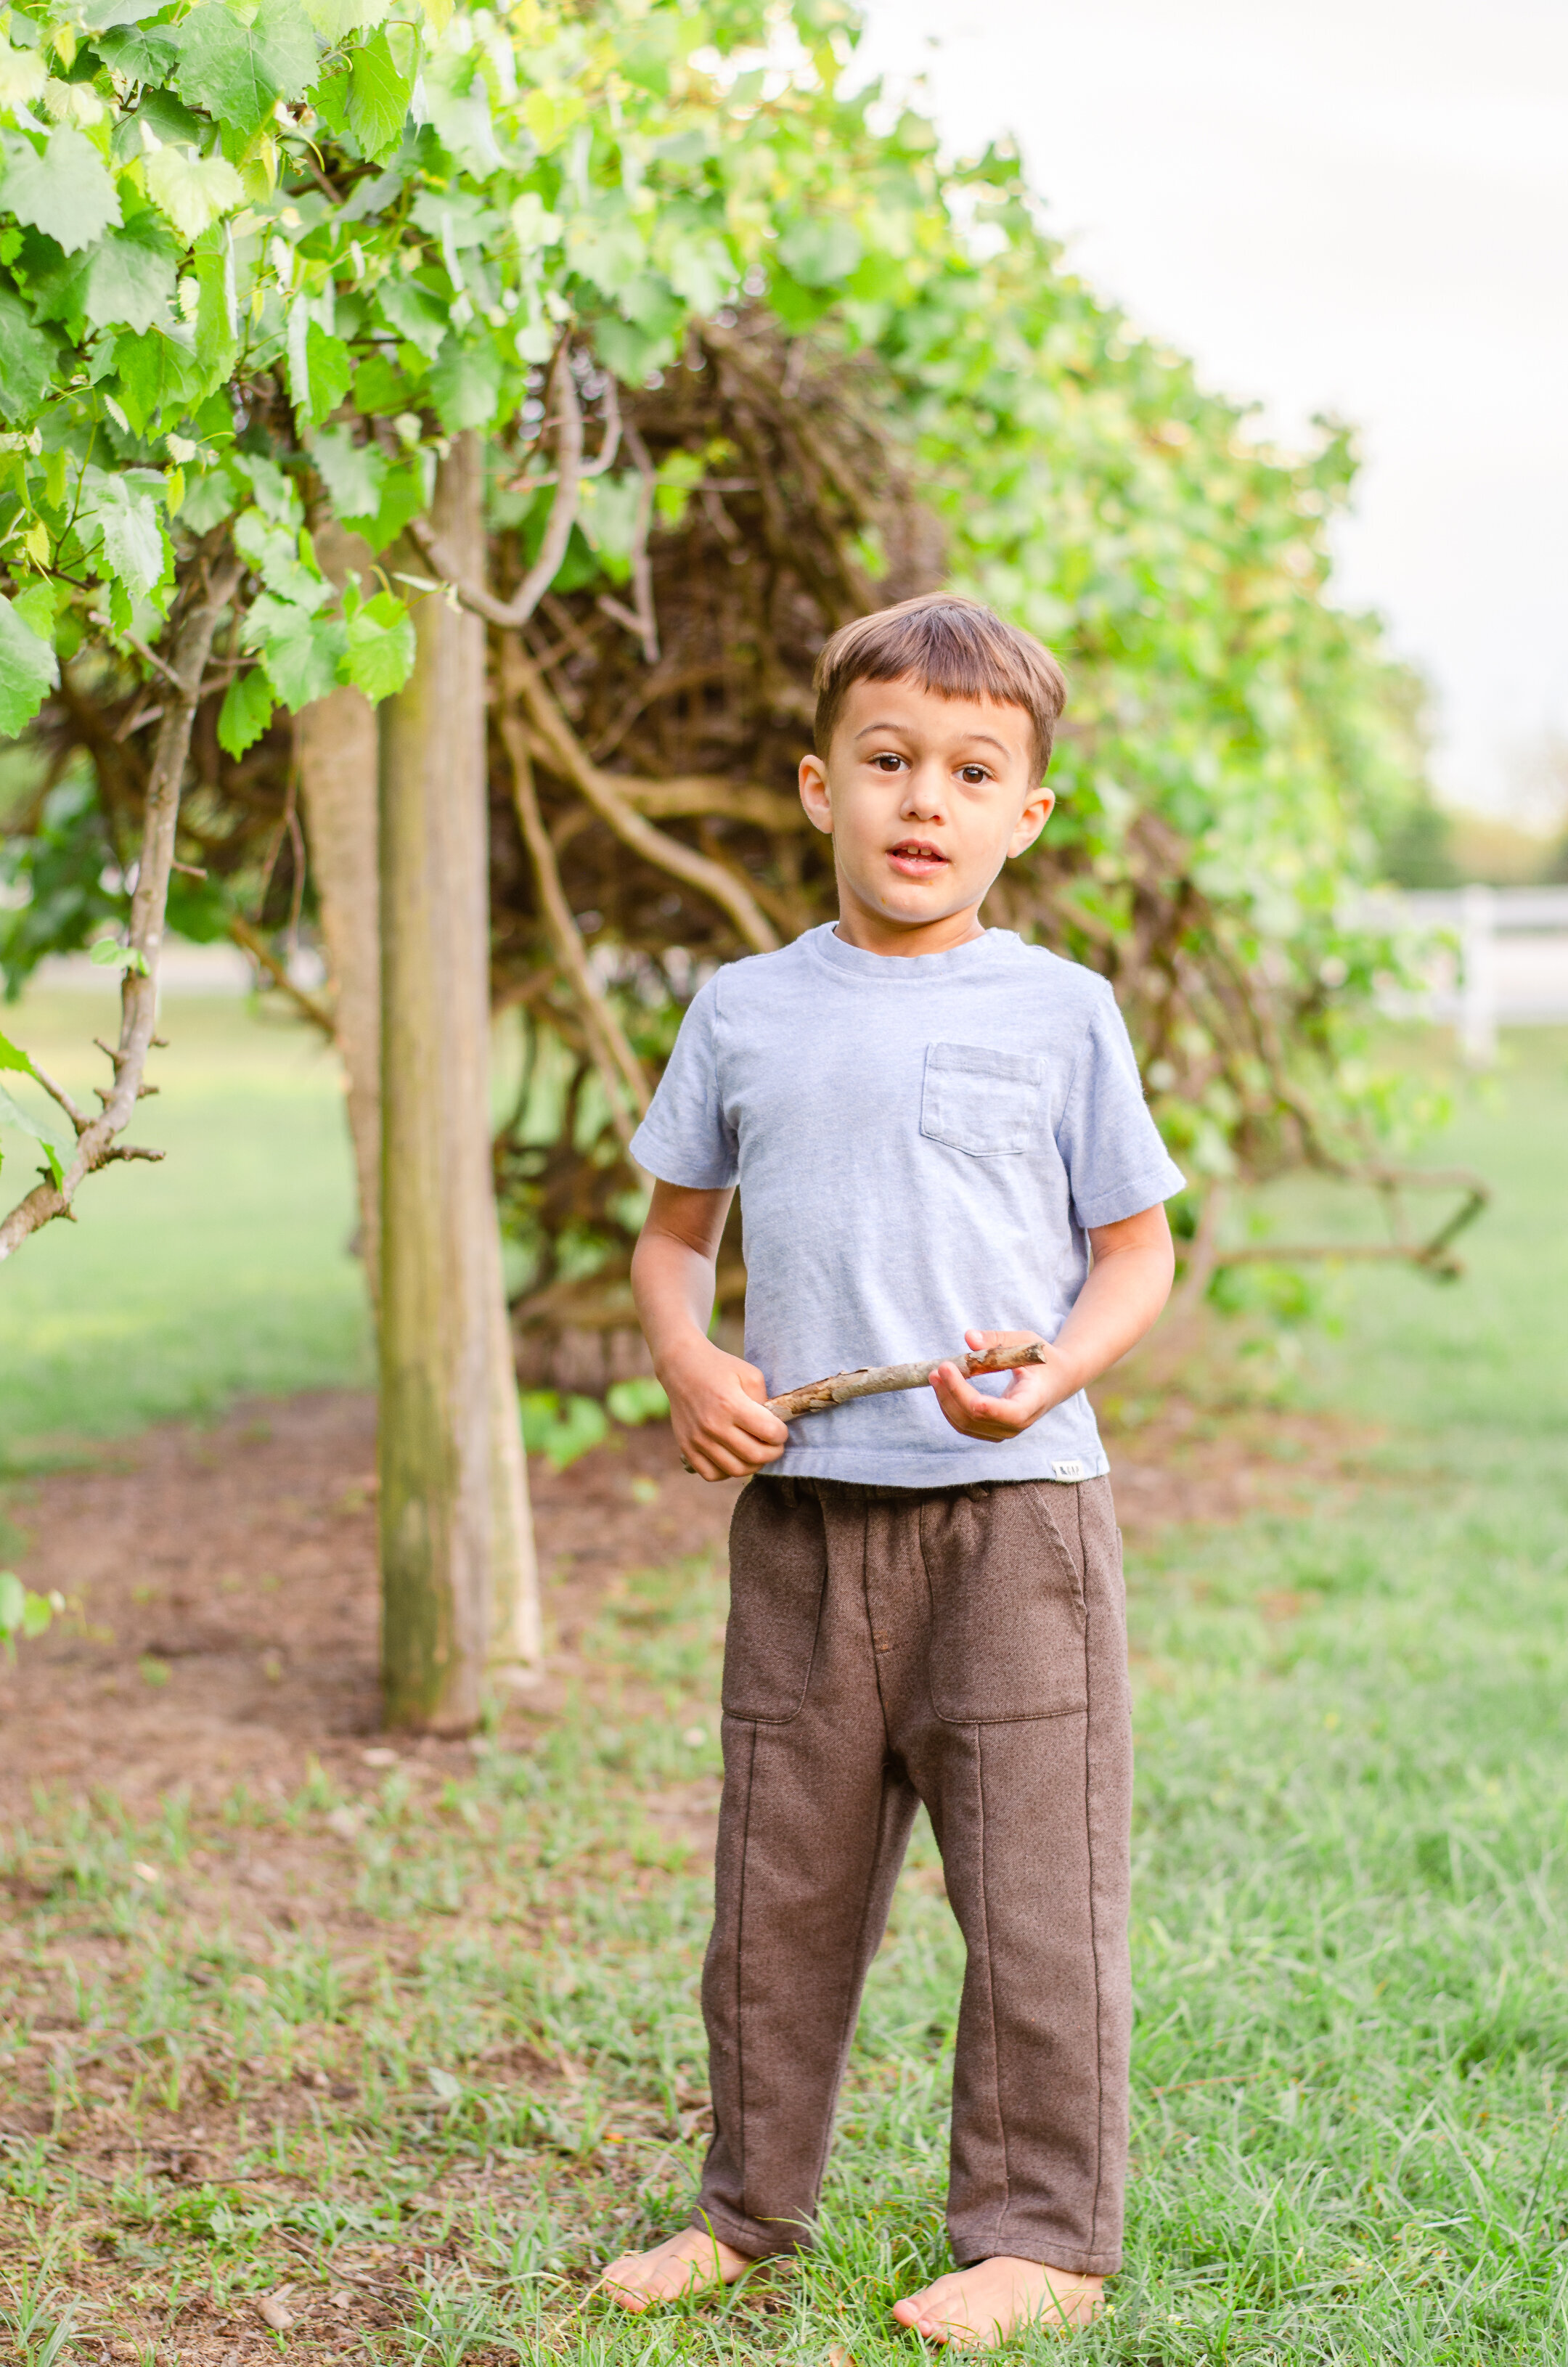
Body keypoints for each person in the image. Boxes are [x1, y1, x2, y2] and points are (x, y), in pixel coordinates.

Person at [603, 592, 1184, 2349]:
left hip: (1017, 1525)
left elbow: (1138, 1252)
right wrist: (692, 1357)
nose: (924, 798)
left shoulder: (1063, 1009)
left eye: (971, 769)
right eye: (887, 760)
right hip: (806, 1522)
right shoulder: (745, 1011)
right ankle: (747, 2202)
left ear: (1030, 814)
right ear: (818, 784)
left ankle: (1039, 2232)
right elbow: (670, 1242)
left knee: (1036, 1889)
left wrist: (1061, 1370)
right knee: (775, 1886)